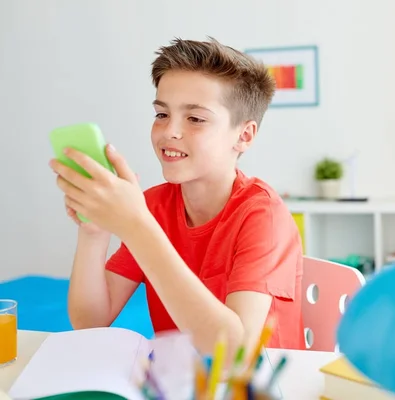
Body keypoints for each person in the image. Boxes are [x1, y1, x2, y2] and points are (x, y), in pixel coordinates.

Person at [49, 37, 305, 356]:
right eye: (161, 114)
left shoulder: (263, 214)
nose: (170, 131)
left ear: (244, 135)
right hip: (182, 380)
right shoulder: (154, 206)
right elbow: (90, 321)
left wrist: (136, 226)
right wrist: (94, 232)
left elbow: (234, 355)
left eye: (195, 118)